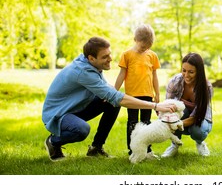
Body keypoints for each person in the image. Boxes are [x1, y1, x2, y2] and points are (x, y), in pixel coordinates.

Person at [42, 36, 176, 162]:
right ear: (91, 58)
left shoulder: (90, 64)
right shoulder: (83, 72)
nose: (110, 58)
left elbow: (111, 93)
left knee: (112, 103)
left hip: (74, 108)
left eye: (110, 54)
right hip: (58, 114)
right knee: (82, 129)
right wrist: (155, 106)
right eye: (105, 57)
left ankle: (96, 148)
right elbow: (117, 97)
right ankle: (53, 142)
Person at [114, 24, 160, 157]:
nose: (145, 49)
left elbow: (154, 76)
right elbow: (121, 74)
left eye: (148, 46)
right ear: (135, 40)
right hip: (132, 96)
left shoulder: (152, 56)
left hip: (147, 95)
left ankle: (148, 151)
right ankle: (132, 151)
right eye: (142, 46)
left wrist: (157, 93)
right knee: (132, 124)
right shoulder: (127, 55)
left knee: (146, 124)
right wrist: (114, 92)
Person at [161, 52, 213, 158]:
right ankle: (174, 145)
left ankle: (200, 143)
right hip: (181, 116)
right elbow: (167, 107)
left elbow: (197, 116)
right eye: (184, 70)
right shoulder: (174, 82)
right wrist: (168, 119)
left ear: (199, 72)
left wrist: (176, 124)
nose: (186, 75)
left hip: (199, 119)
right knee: (174, 112)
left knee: (198, 131)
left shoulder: (206, 87)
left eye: (191, 72)